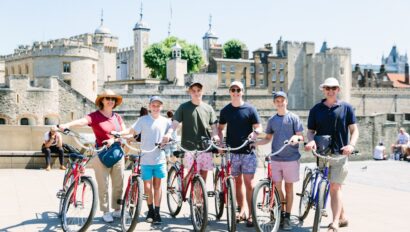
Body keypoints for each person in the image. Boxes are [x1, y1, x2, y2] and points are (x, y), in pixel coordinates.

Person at [59, 89, 126, 223]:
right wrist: (66, 125)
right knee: (103, 184)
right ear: (102, 100)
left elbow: (124, 132)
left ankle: (117, 209)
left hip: (117, 153)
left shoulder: (117, 117)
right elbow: (82, 121)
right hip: (101, 153)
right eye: (107, 98)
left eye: (113, 99)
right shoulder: (95, 116)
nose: (111, 101)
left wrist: (117, 139)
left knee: (119, 184)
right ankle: (106, 211)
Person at [304, 77, 359, 232]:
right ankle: (342, 216)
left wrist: (351, 145)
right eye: (327, 88)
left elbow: (354, 130)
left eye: (333, 88)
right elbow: (310, 131)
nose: (330, 91)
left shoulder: (346, 108)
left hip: (340, 155)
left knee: (335, 187)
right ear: (324, 90)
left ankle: (335, 222)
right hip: (321, 154)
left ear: (338, 90)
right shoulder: (316, 109)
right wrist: (311, 141)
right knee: (333, 187)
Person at [116, 96, 170, 224]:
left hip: (159, 159)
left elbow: (172, 133)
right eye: (153, 105)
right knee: (147, 187)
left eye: (158, 105)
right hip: (146, 159)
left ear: (161, 107)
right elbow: (132, 131)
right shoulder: (143, 120)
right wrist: (119, 133)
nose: (156, 108)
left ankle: (157, 212)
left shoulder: (166, 121)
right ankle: (150, 210)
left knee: (158, 186)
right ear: (149, 106)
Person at [254, 91, 303, 231]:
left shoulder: (294, 118)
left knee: (289, 187)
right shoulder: (272, 120)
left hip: (291, 158)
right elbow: (268, 138)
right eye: (277, 101)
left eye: (282, 100)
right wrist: (255, 143)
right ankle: (280, 212)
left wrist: (295, 138)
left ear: (286, 101)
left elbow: (301, 137)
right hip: (276, 158)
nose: (280, 103)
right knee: (277, 187)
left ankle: (287, 216)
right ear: (274, 103)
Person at [218, 81, 262, 227]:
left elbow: (258, 127)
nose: (236, 92)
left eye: (238, 90)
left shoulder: (250, 109)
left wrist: (254, 133)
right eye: (233, 90)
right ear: (230, 92)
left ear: (242, 91)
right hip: (233, 152)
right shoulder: (225, 110)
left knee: (249, 183)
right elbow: (220, 127)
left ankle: (251, 213)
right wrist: (221, 141)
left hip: (248, 151)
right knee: (237, 182)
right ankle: (241, 210)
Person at [163, 82, 220, 183]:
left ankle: (200, 198)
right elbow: (175, 123)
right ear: (190, 92)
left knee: (203, 177)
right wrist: (168, 133)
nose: (196, 93)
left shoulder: (208, 108)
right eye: (194, 91)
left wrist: (215, 135)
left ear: (202, 92)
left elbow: (214, 127)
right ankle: (188, 187)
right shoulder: (183, 107)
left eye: (198, 90)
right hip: (189, 147)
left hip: (205, 146)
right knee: (193, 174)